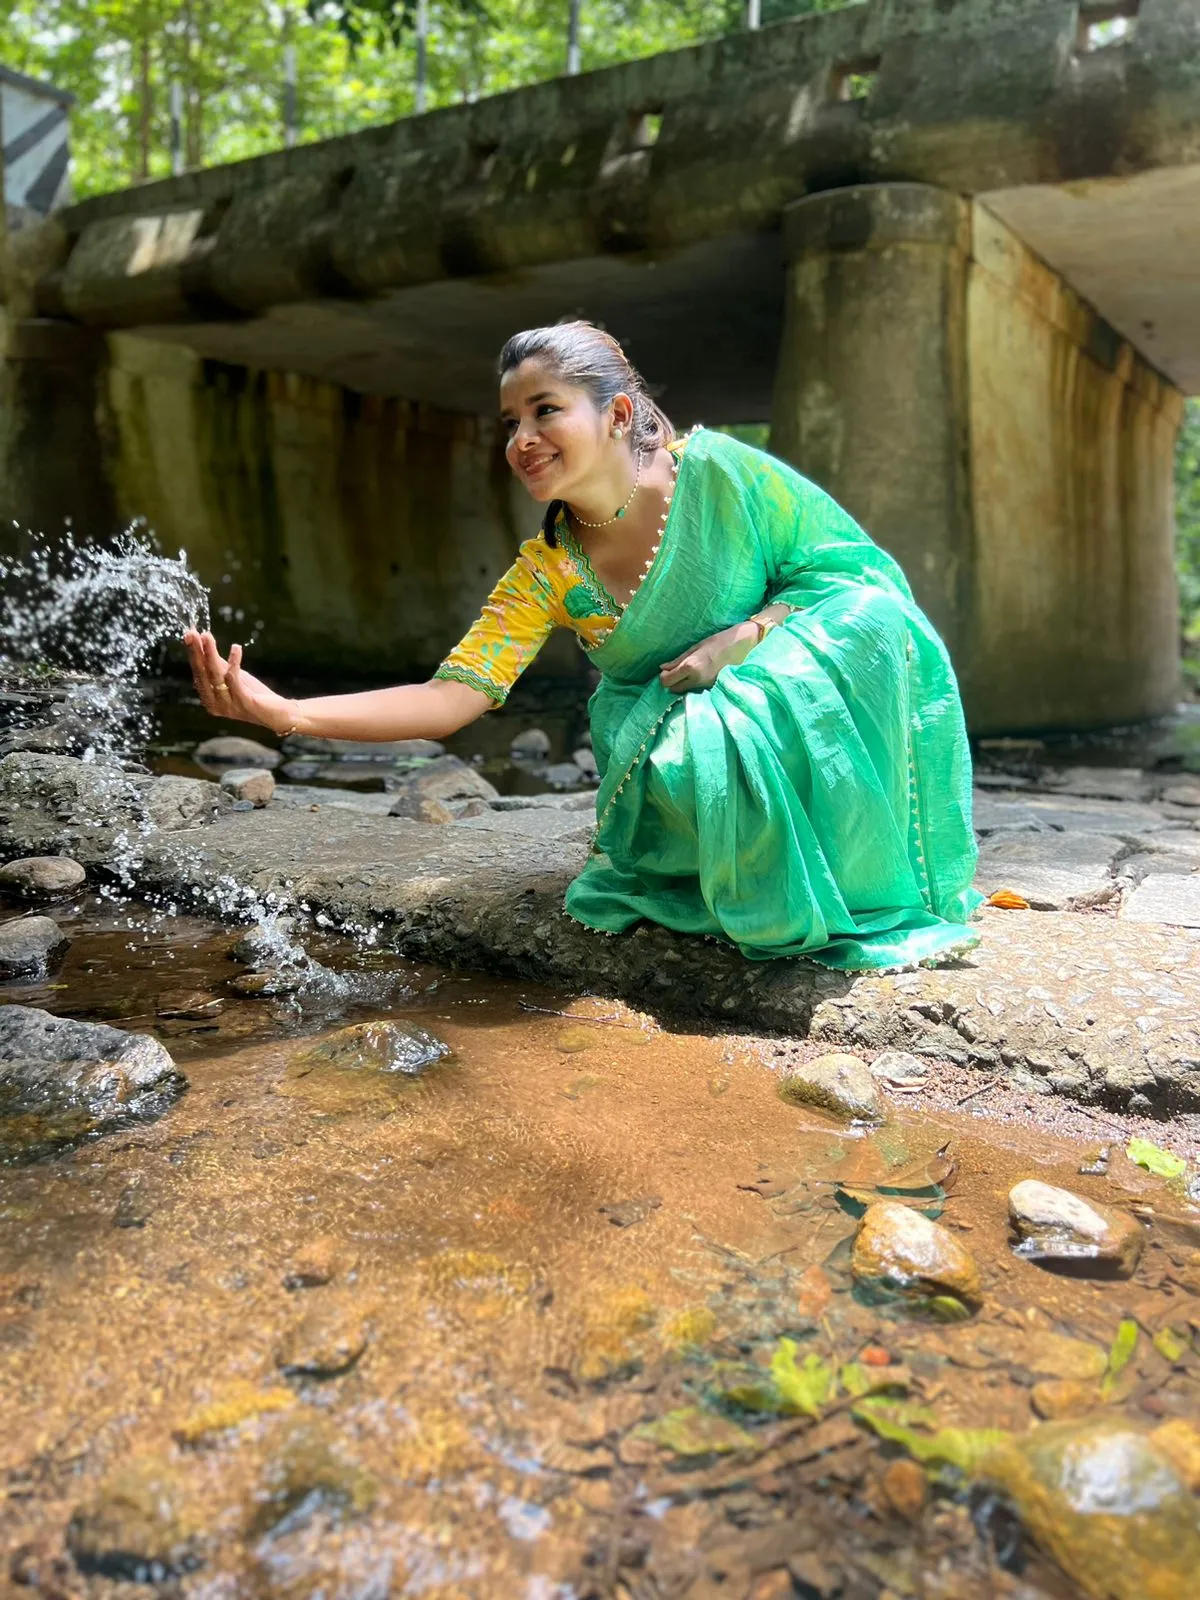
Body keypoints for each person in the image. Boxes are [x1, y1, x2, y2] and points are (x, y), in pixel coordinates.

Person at [184, 320, 980, 972]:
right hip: (665, 751)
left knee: (868, 622)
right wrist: (287, 713)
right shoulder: (548, 571)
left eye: (544, 411)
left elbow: (854, 574)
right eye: (510, 423)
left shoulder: (726, 477)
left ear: (620, 416)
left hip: (767, 684)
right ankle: (742, 871)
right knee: (715, 727)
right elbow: (453, 696)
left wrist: (744, 638)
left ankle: (852, 867)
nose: (521, 438)